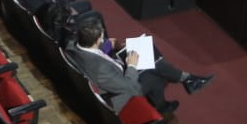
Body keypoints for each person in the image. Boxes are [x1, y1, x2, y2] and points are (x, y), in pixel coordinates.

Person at [66, 18, 211, 115]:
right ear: (97, 41)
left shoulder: (74, 45)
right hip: (118, 97)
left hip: (112, 72)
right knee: (154, 74)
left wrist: (108, 46)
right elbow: (131, 88)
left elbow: (94, 53)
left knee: (153, 62)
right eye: (102, 38)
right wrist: (132, 66)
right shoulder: (99, 69)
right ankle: (184, 83)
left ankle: (185, 82)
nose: (104, 39)